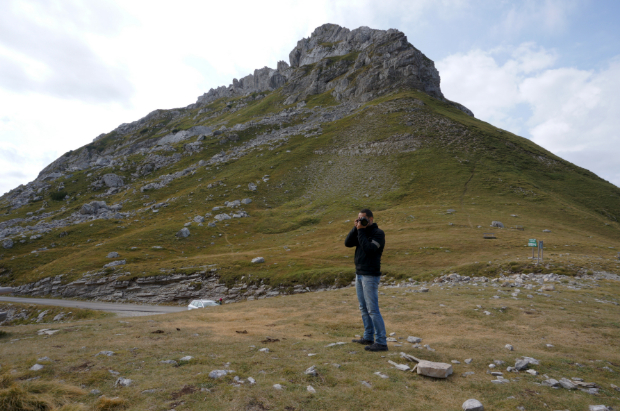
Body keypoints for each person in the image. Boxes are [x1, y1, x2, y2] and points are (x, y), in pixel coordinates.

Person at [344, 208, 387, 352]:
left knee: (372, 309)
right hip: (360, 274)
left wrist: (361, 231)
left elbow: (369, 249)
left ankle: (381, 342)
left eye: (363, 218)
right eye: (359, 218)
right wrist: (355, 228)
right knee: (363, 307)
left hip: (370, 275)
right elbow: (347, 243)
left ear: (371, 219)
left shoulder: (378, 233)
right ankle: (368, 336)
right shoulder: (360, 231)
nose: (361, 220)